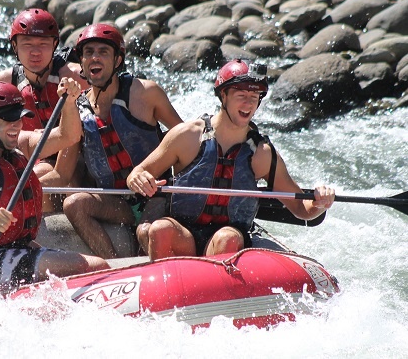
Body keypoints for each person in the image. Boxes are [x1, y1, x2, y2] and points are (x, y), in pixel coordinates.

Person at [126, 59, 336, 260]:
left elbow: (301, 209)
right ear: (223, 95)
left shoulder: (262, 153)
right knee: (160, 229)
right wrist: (138, 179)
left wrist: (320, 202)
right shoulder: (186, 136)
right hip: (184, 233)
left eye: (254, 97)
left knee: (227, 238)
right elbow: (138, 172)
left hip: (228, 237)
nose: (249, 103)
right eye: (241, 95)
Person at [0, 81, 108, 291]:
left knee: (98, 267)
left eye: (18, 117)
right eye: (8, 119)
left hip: (16, 249)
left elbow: (67, 136)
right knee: (96, 266)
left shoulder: (18, 146)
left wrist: (69, 102)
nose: (16, 124)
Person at [53, 23, 183, 259]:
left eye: (103, 52)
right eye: (89, 52)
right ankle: (112, 266)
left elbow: (186, 141)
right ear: (81, 62)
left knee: (146, 231)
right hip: (116, 202)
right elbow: (61, 175)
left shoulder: (146, 93)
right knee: (74, 204)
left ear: (117, 60)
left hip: (158, 193)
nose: (95, 58)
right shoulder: (76, 108)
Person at [0, 8, 89, 212]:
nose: (35, 52)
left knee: (41, 172)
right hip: (31, 155)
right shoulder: (3, 82)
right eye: (27, 45)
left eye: (43, 44)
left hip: (77, 158)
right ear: (15, 46)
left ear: (54, 45)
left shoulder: (78, 76)